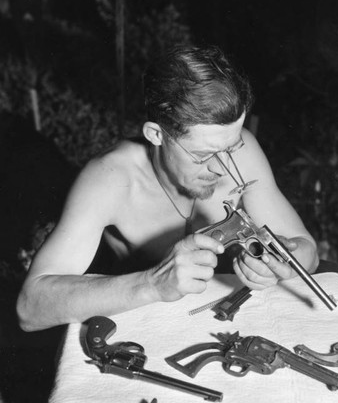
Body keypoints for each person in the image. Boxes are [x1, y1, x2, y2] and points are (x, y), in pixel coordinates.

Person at [17, 44, 319, 332]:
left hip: (227, 322)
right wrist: (152, 283)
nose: (223, 167)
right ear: (156, 134)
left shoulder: (242, 152)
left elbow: (307, 250)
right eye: (203, 155)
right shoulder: (112, 178)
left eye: (231, 147)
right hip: (140, 328)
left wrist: (281, 265)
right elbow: (30, 307)